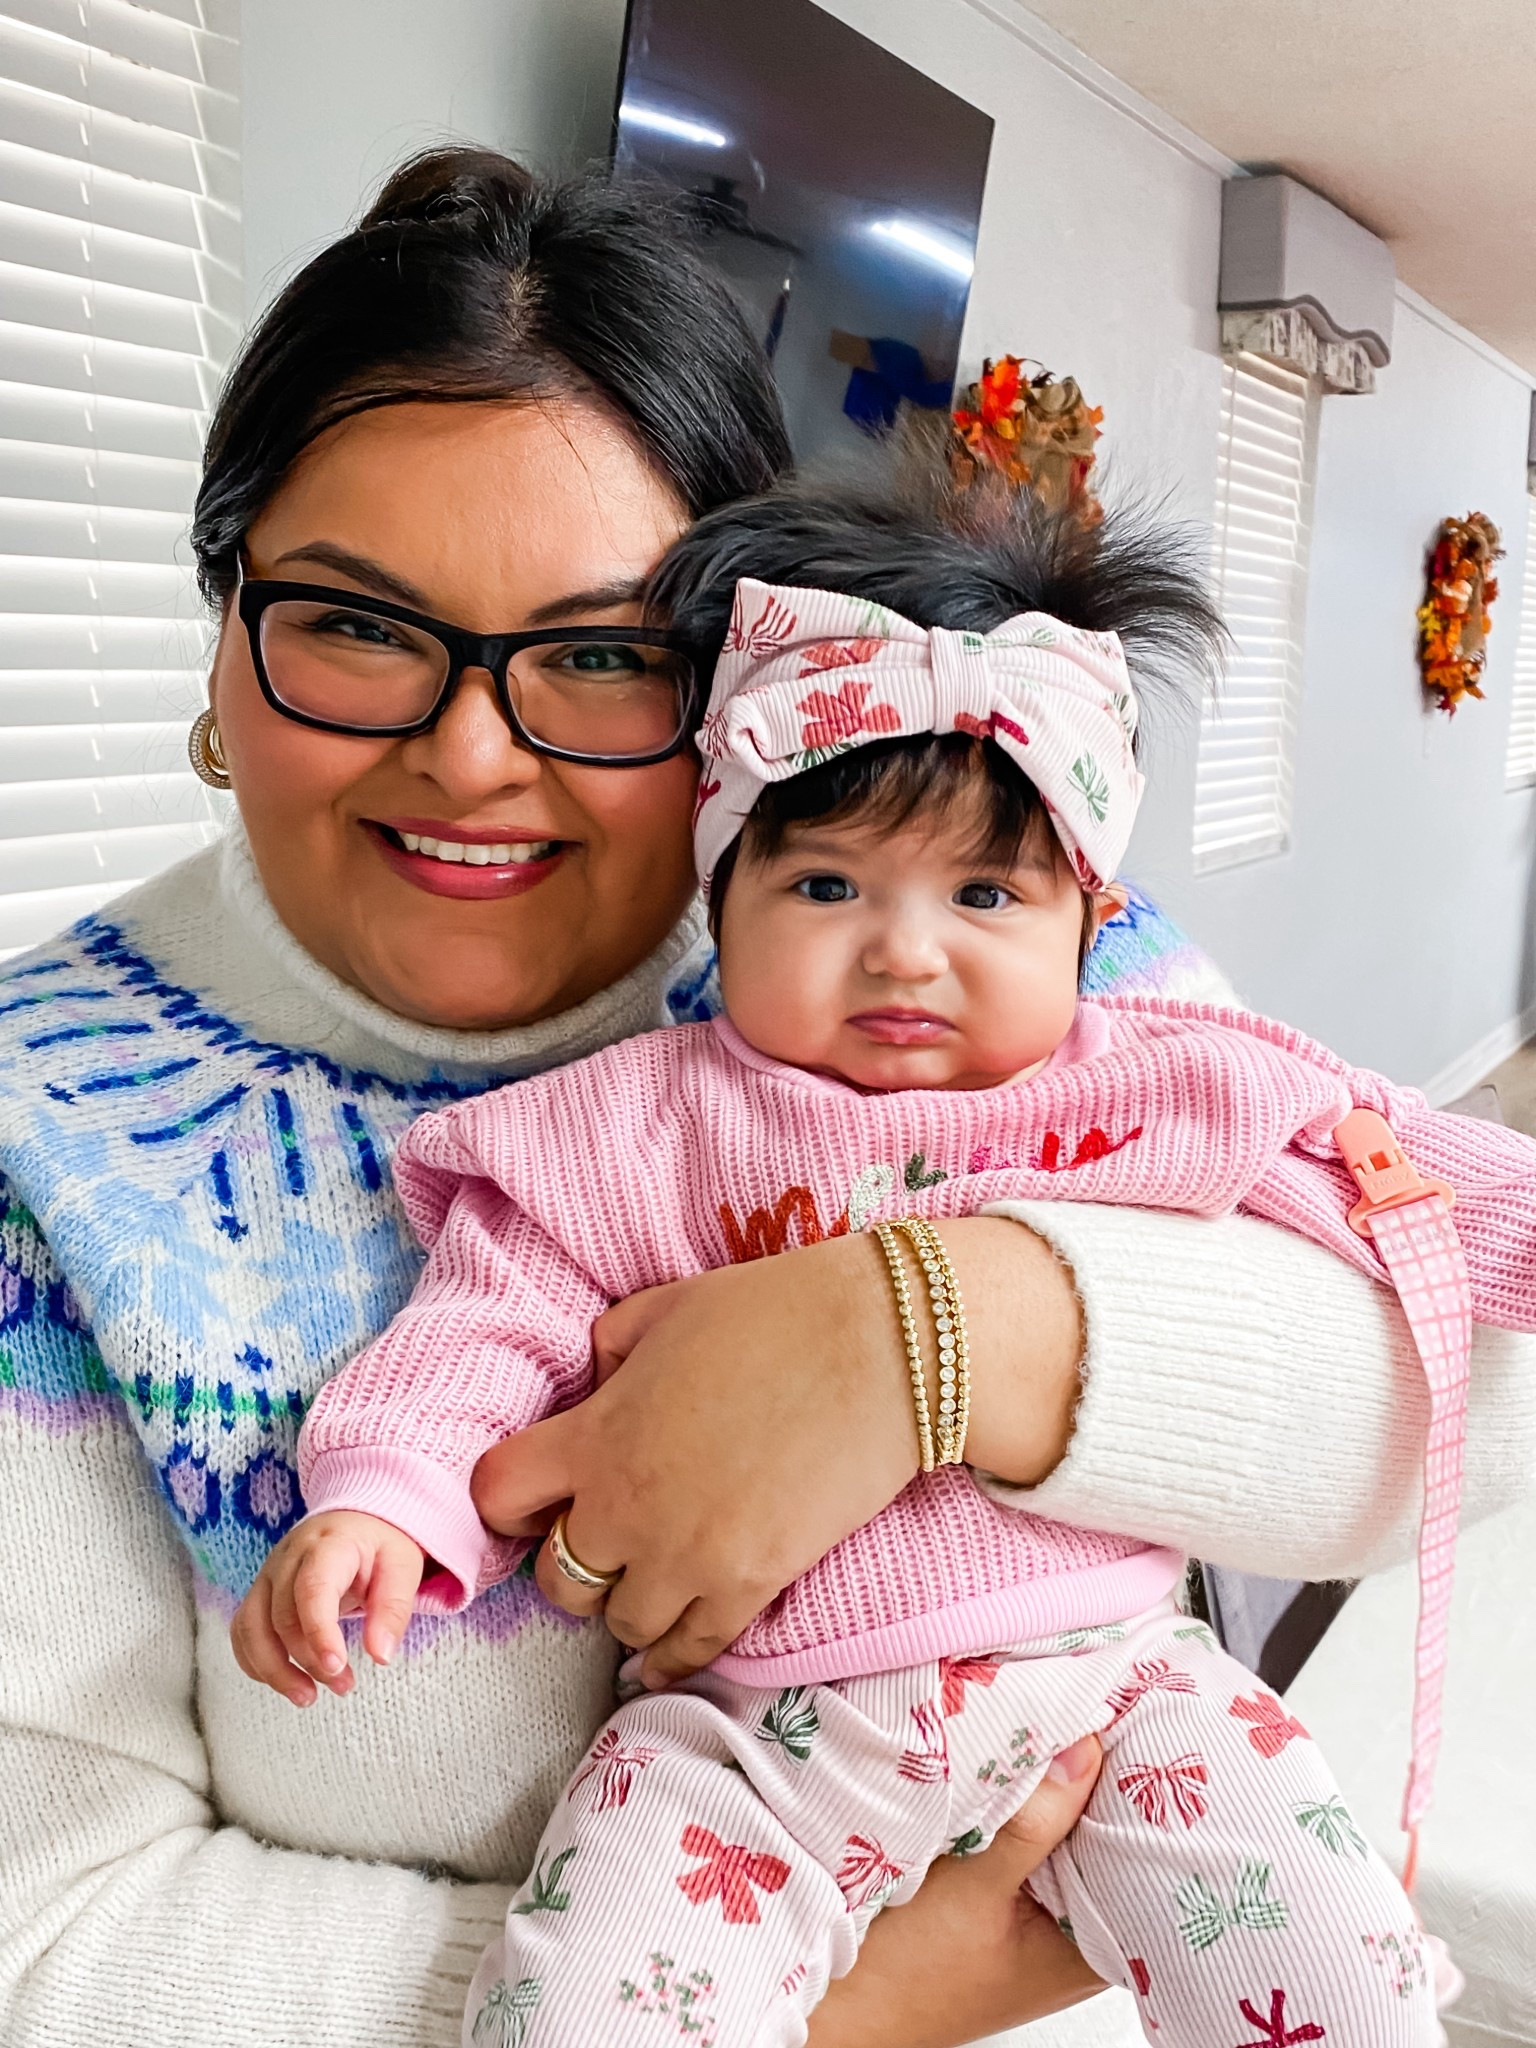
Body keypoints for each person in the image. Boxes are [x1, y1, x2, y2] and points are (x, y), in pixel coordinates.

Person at [1, 150, 1532, 2048]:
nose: (473, 754)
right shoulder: (45, 1127)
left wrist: (954, 1328)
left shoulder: (964, 927)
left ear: (732, 694)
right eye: (358, 624)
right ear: (223, 643)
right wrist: (828, 1997)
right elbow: (41, 1933)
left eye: (602, 654)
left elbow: (1452, 1405)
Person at [241, 470, 1534, 2046]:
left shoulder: (1157, 1077)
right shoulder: (643, 1120)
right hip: (749, 1741)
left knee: (1344, 1974)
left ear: (1088, 919)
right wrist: (383, 1494)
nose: (907, 949)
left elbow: (1404, 1166)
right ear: (722, 905)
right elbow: (485, 1315)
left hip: (1118, 1689)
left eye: (986, 892)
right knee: (577, 2006)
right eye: (829, 885)